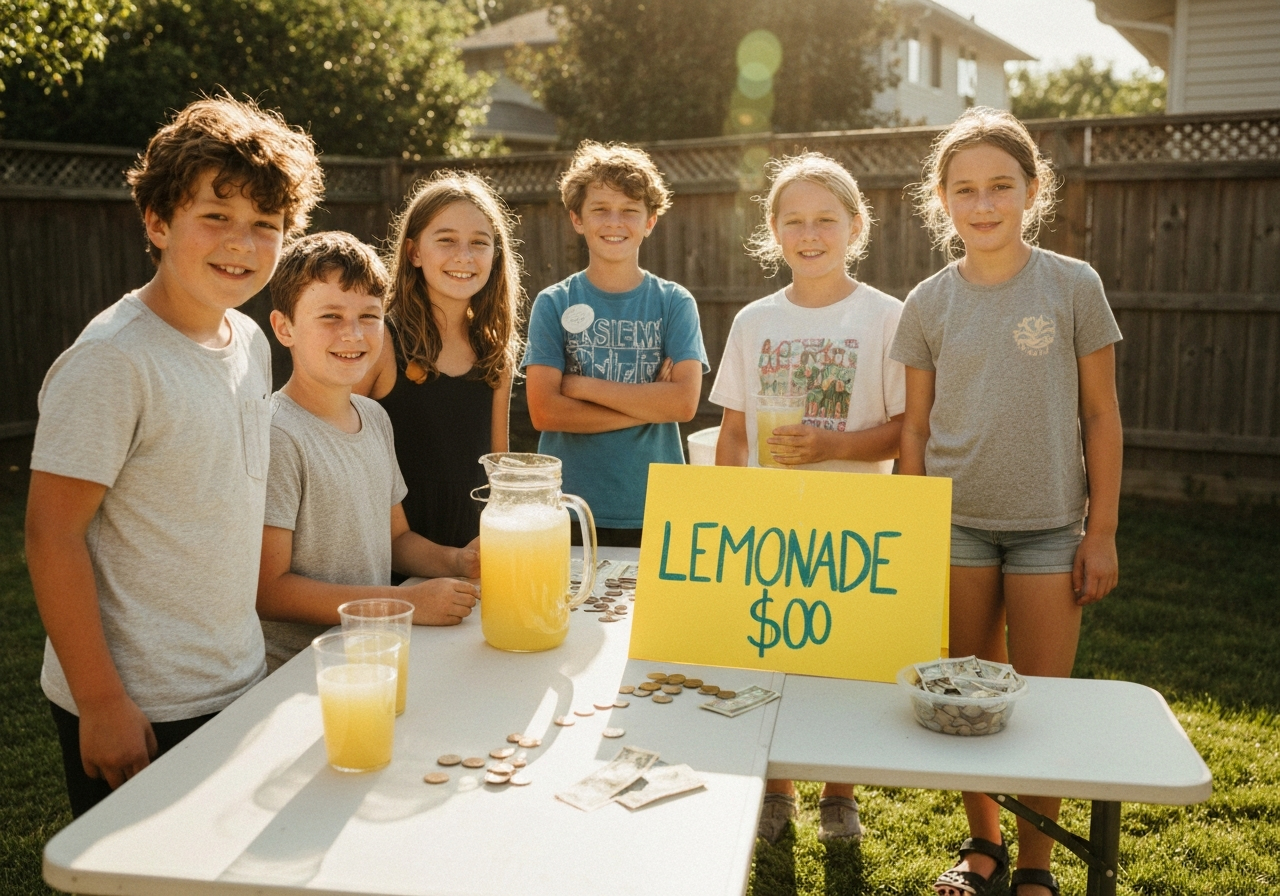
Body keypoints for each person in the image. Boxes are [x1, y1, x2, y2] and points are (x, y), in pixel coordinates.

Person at [25, 96, 323, 817]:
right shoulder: (112, 361)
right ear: (158, 222)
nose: (242, 245)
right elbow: (50, 535)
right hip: (140, 702)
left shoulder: (249, 341)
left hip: (236, 675)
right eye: (215, 218)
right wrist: (101, 702)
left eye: (265, 226)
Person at [891, 107, 1123, 896]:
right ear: (942, 199)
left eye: (1000, 187)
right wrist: (913, 530)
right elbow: (915, 429)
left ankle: (1035, 865)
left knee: (1040, 705)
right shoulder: (927, 302)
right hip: (954, 526)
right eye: (965, 190)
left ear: (1032, 190)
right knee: (966, 700)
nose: (983, 205)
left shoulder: (1072, 285)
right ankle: (982, 847)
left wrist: (1102, 531)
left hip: (1050, 530)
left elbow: (1101, 415)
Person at [709, 152, 906, 844]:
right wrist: (732, 508)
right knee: (771, 654)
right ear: (774, 231)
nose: (810, 233)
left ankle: (839, 791)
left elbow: (909, 429)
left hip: (855, 523)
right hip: (768, 523)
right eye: (794, 220)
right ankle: (775, 789)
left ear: (855, 226)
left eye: (826, 219)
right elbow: (734, 432)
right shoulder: (754, 322)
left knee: (843, 659)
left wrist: (832, 447)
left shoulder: (888, 317)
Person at [258, 231, 480, 672]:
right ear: (285, 328)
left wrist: (456, 561)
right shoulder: (277, 434)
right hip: (298, 675)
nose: (353, 333)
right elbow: (270, 591)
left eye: (369, 316)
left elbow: (395, 540)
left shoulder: (375, 417)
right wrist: (405, 603)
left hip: (371, 658)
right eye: (330, 316)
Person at [522, 141, 708, 546]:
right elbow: (545, 411)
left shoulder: (674, 302)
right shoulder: (554, 302)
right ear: (577, 219)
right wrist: (648, 404)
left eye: (629, 210)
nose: (614, 222)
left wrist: (581, 386)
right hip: (567, 508)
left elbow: (683, 404)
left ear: (650, 221)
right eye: (600, 209)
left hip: (655, 506)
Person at [358, 171, 524, 550]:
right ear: (414, 252)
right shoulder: (381, 340)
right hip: (393, 554)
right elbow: (347, 458)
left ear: (495, 255)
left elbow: (499, 472)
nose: (463, 256)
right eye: (446, 240)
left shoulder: (497, 351)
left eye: (479, 243)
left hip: (474, 554)